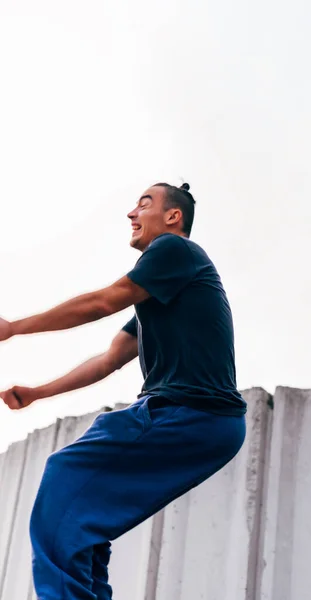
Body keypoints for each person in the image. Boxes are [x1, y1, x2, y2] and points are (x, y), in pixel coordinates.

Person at [0, 182, 247, 600]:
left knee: (64, 476)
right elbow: (110, 358)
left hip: (188, 412)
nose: (132, 214)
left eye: (144, 205)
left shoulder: (174, 250)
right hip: (211, 425)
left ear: (174, 217)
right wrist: (40, 392)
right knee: (85, 521)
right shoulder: (166, 290)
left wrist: (14, 328)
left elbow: (103, 301)